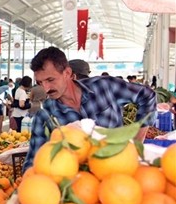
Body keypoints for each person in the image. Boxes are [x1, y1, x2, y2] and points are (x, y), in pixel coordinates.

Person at [23, 47, 157, 171]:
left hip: (119, 172)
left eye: (50, 80)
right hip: (80, 183)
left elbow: (147, 96)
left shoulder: (104, 87)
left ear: (67, 73)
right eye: (40, 82)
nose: (46, 89)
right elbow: (33, 163)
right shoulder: (45, 115)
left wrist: (137, 142)